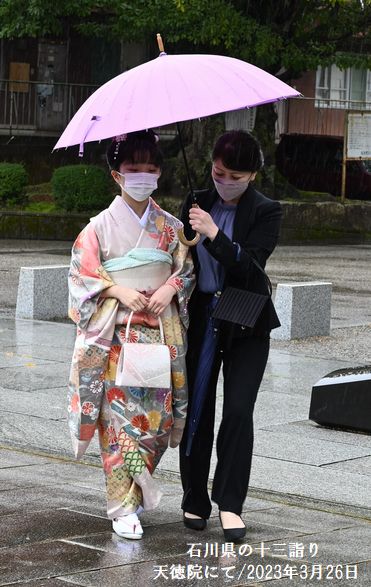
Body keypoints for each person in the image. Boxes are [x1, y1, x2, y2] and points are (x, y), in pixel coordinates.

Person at [67, 130, 194, 540]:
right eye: (133, 169)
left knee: (152, 425)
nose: (143, 175)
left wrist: (170, 288)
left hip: (158, 337)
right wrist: (117, 289)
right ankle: (122, 507)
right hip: (115, 338)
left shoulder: (171, 227)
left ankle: (137, 497)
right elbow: (80, 278)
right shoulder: (97, 229)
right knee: (120, 425)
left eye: (151, 169)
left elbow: (185, 271)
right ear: (116, 175)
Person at [179, 130, 282, 542]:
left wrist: (214, 234)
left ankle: (231, 503)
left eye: (235, 176)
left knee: (238, 410)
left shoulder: (267, 210)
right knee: (198, 406)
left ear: (253, 174)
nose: (225, 181)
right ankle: (194, 497)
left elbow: (252, 268)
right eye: (219, 173)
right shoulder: (195, 200)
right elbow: (179, 254)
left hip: (246, 317)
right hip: (204, 314)